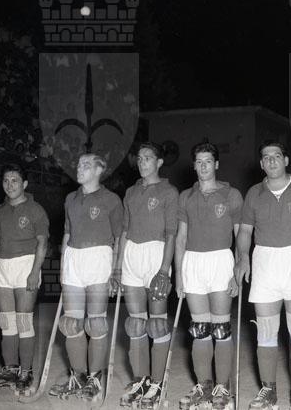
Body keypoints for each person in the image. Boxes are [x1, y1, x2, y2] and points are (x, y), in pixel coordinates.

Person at [235, 139, 291, 410]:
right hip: (265, 262)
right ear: (261, 164)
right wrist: (243, 258)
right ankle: (268, 391)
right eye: (266, 157)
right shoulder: (254, 193)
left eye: (276, 155)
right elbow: (245, 231)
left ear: (286, 160)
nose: (271, 160)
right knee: (265, 331)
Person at [49, 154, 123, 401]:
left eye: (86, 165)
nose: (79, 168)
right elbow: (66, 234)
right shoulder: (70, 198)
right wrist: (63, 267)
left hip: (99, 257)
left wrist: (116, 269)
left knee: (96, 323)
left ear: (100, 170)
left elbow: (119, 237)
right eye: (78, 164)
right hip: (73, 258)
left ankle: (95, 378)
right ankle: (78, 377)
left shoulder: (111, 199)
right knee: (71, 323)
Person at [174, 142, 243, 409]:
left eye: (208, 161)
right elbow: (181, 238)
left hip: (221, 261)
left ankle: (222, 388)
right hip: (193, 262)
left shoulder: (231, 194)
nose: (203, 166)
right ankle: (203, 386)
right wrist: (179, 275)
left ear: (216, 165)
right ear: (194, 165)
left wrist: (237, 271)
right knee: (200, 329)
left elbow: (240, 236)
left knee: (221, 328)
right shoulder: (186, 196)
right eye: (199, 162)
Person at [116, 142, 179, 408]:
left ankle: (157, 382)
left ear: (159, 162)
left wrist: (164, 270)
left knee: (157, 324)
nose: (142, 163)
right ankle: (140, 380)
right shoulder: (130, 192)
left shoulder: (169, 192)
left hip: (156, 254)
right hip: (132, 254)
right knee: (135, 323)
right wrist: (117, 266)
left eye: (148, 158)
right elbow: (124, 232)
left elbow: (172, 234)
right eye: (140, 158)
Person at [0, 164, 49, 394]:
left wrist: (35, 271)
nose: (9, 185)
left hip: (25, 265)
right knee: (6, 322)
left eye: (14, 180)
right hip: (2, 266)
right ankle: (10, 369)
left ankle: (26, 370)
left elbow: (42, 243)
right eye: (6, 180)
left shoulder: (35, 209)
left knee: (23, 321)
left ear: (25, 184)